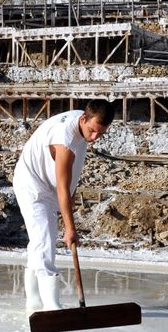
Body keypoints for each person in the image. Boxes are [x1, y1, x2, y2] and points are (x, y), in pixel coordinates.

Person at [13, 99, 115, 313]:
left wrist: (68, 216)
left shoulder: (85, 125)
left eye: (100, 134)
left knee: (40, 241)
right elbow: (62, 186)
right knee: (44, 241)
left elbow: (69, 182)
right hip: (32, 185)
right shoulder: (65, 138)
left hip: (49, 186)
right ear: (83, 118)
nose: (94, 138)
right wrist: (70, 228)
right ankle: (51, 306)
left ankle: (33, 302)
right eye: (92, 131)